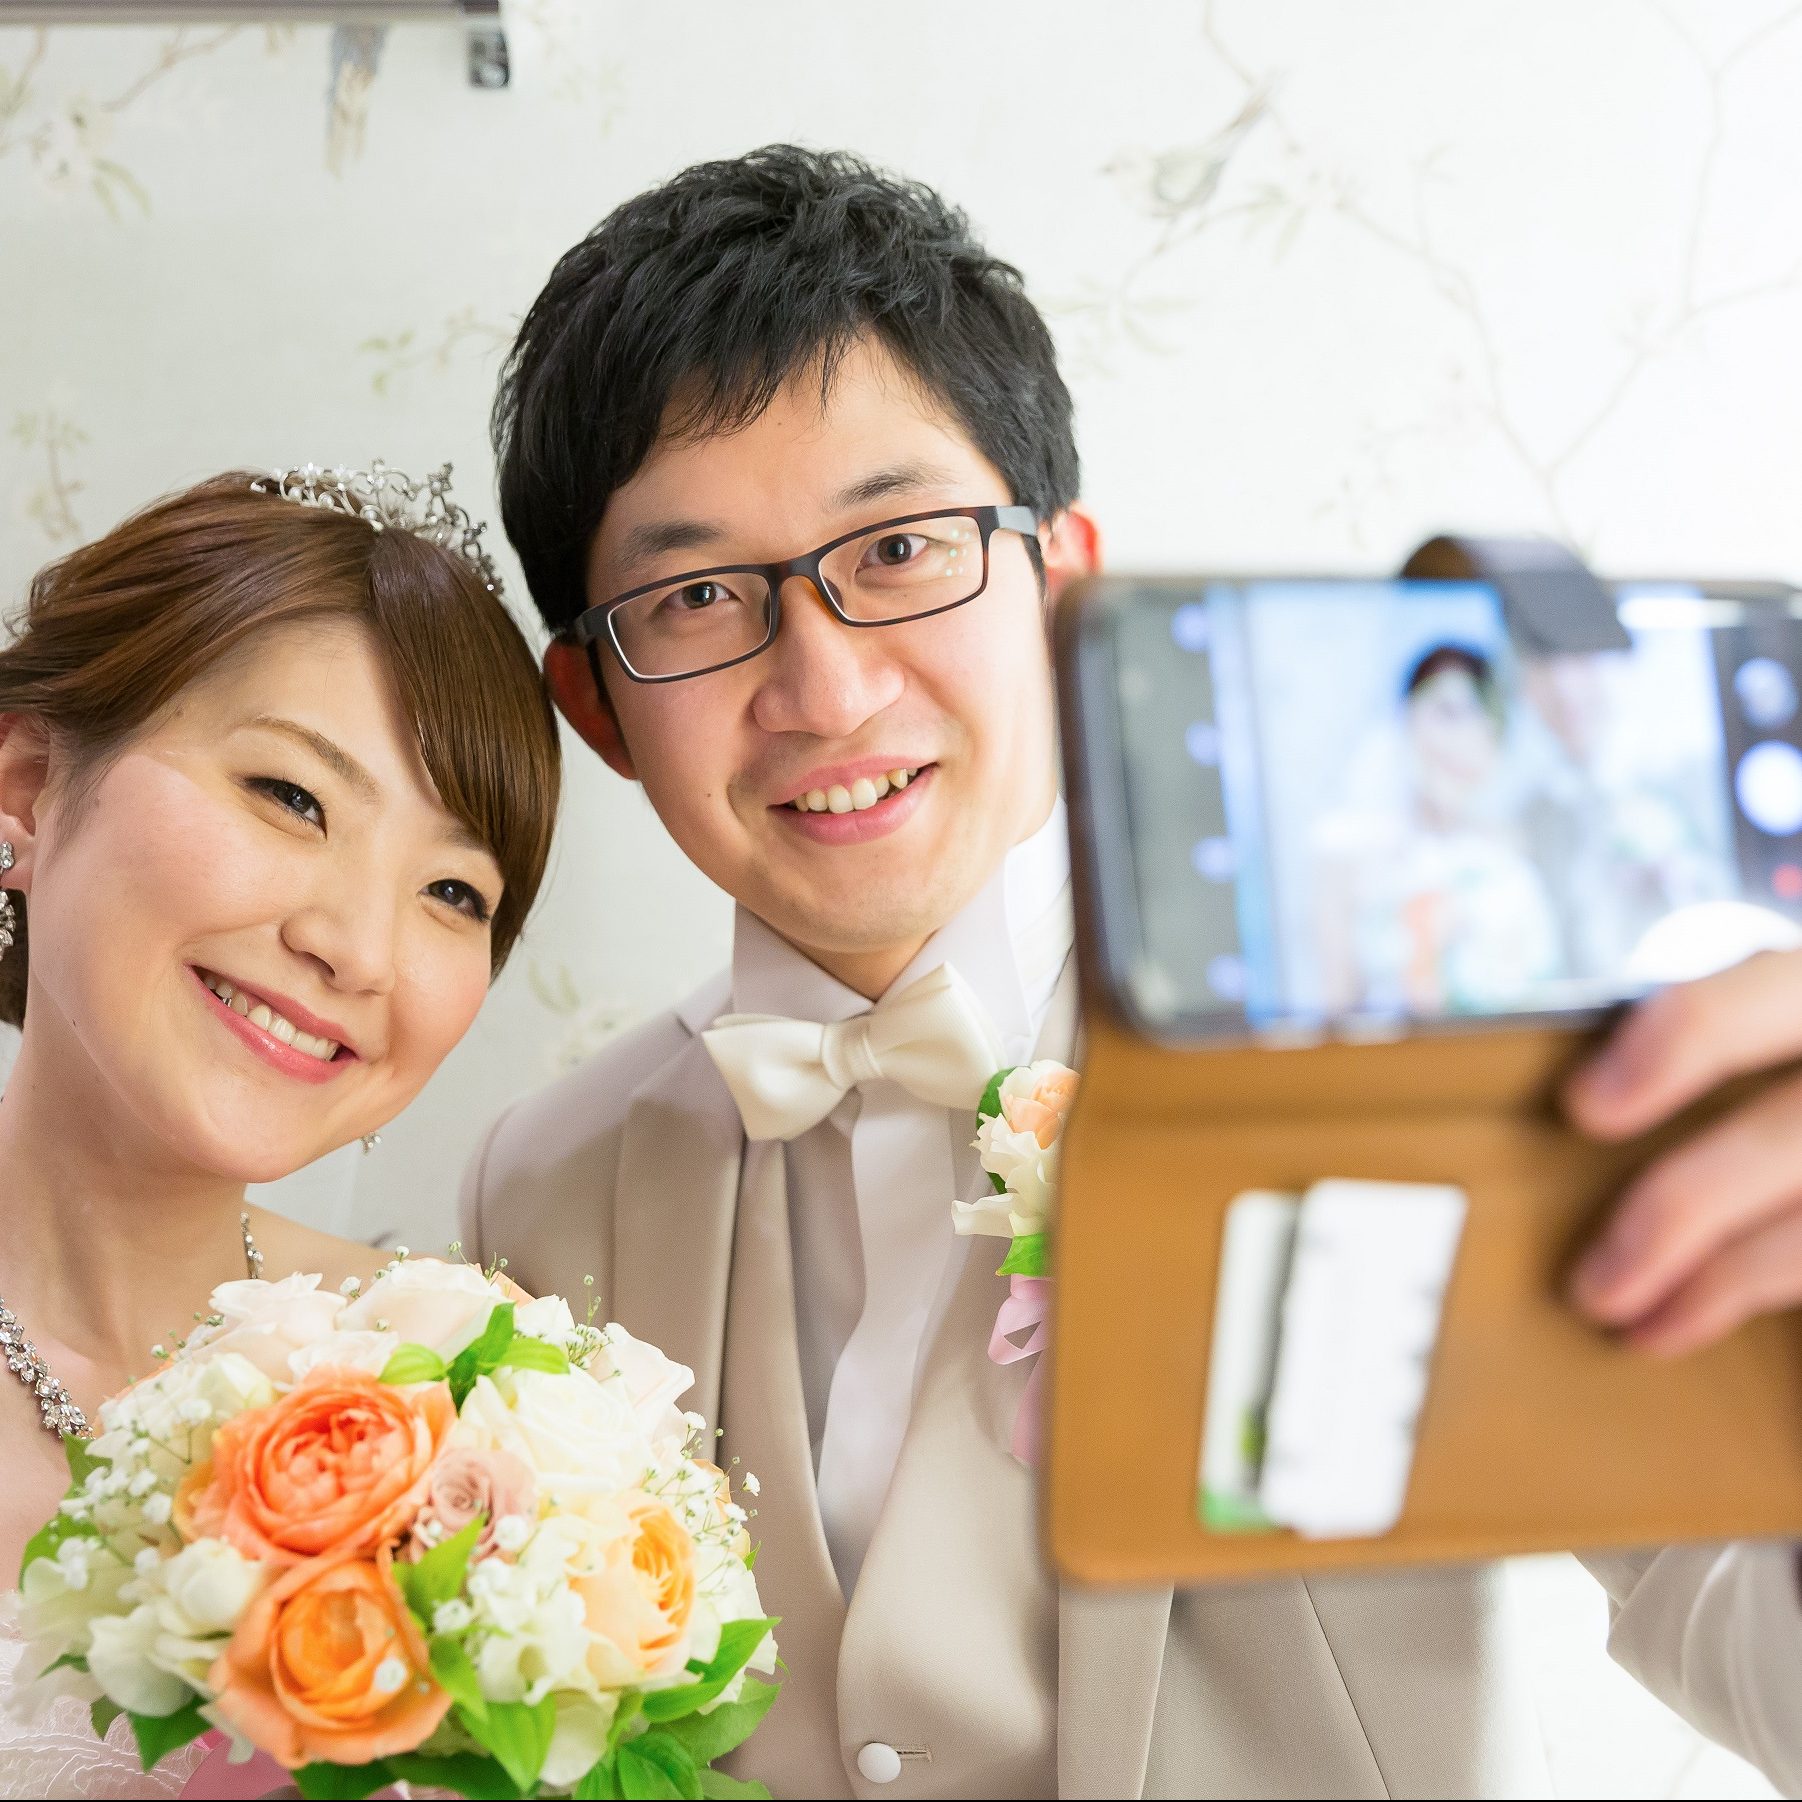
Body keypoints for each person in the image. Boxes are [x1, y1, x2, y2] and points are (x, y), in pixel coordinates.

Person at [462, 145, 1802, 1798]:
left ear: (1065, 579)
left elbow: (1734, 1610)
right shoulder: (538, 1189)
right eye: (695, 595)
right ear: (595, 707)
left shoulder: (1396, 1032)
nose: (825, 686)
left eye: (899, 548)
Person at [0, 465, 561, 1796]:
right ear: (26, 785)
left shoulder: (481, 1388)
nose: (356, 947)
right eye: (291, 796)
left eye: (452, 889)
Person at [1314, 643, 1561, 1015]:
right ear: (1406, 719)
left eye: (1484, 722)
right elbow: (1336, 1012)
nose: (1461, 742)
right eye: (1447, 713)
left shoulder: (1512, 850)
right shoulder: (1350, 854)